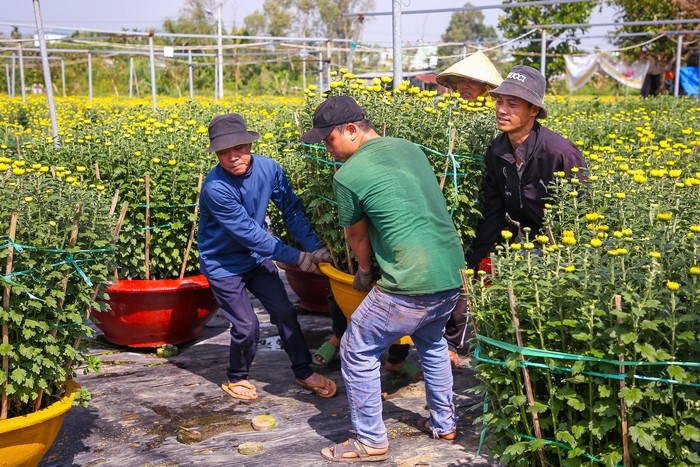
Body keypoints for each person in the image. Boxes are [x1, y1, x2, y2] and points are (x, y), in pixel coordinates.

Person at [301, 96, 466, 462]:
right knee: (433, 341)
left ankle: (371, 441)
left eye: (329, 140)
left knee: (356, 348)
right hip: (452, 273)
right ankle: (444, 422)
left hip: (410, 281)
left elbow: (357, 237)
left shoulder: (348, 176)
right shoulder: (410, 149)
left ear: (351, 130)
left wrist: (363, 273)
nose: (328, 151)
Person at [198, 113, 337, 401]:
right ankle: (237, 376)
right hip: (223, 264)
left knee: (285, 312)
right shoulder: (215, 188)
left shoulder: (268, 169)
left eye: (239, 149)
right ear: (217, 155)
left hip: (256, 258)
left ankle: (303, 371)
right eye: (224, 153)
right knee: (248, 327)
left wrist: (315, 248)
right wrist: (297, 258)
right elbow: (249, 234)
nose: (233, 157)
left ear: (249, 145)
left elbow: (292, 211)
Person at [465, 65, 587, 271]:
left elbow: (580, 214)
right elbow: (493, 211)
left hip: (559, 251)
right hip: (521, 243)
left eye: (512, 104)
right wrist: (472, 261)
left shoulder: (559, 153)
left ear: (533, 110)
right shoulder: (497, 150)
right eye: (499, 101)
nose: (501, 110)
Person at [436, 50, 504, 102]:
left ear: (488, 87)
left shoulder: (496, 113)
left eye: (472, 82)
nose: (465, 86)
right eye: (461, 81)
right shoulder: (449, 111)